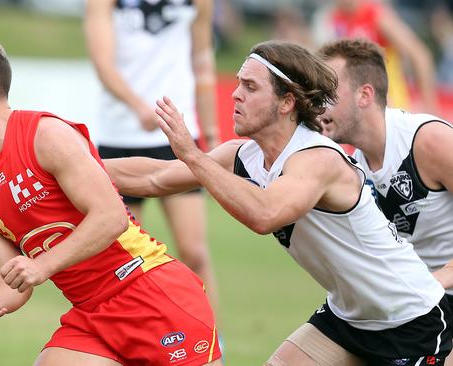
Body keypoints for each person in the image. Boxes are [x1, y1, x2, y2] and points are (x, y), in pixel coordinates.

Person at [103, 40, 452, 364]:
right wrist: (75, 161)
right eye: (238, 84)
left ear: (287, 102)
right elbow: (154, 177)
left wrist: (194, 157)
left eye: (250, 87)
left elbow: (265, 214)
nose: (236, 95)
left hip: (411, 320)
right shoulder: (245, 156)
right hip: (348, 317)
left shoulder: (318, 158)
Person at [0, 36, 222, 366]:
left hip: (149, 293)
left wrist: (41, 265)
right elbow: (11, 279)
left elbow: (111, 217)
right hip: (92, 314)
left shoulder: (45, 136)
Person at [317, 37, 453, 365]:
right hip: (407, 304)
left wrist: (440, 277)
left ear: (365, 95)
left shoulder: (428, 141)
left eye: (328, 95)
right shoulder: (350, 166)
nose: (318, 107)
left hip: (434, 300)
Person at [84, 0, 221, 317]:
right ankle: (127, 342)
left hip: (179, 137)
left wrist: (210, 133)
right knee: (123, 257)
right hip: (120, 138)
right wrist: (138, 107)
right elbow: (103, 64)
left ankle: (212, 342)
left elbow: (202, 62)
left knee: (195, 251)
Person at [311, 0, 440, 114]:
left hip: (389, 105)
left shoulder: (377, 15)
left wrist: (430, 108)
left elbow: (420, 56)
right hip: (356, 107)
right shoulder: (332, 19)